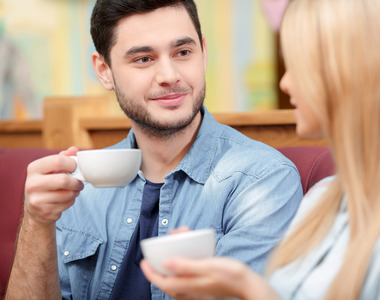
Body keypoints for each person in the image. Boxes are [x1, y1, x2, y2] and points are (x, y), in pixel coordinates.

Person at [140, 0, 380, 299]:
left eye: (300, 65)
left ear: (354, 71)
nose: (286, 83)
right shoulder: (321, 200)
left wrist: (250, 288)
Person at [5, 0, 302, 299]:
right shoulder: (80, 187)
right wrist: (37, 221)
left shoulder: (262, 181)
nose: (169, 75)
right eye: (144, 59)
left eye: (183, 53)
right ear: (104, 70)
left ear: (203, 53)